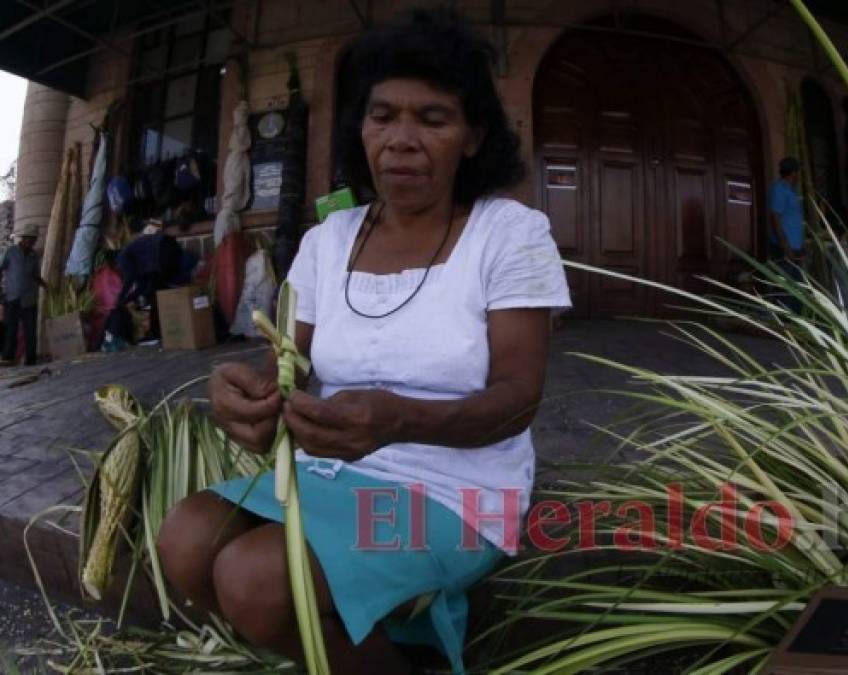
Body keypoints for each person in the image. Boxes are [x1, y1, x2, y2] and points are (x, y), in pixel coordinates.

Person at [156, 9, 571, 675]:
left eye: (432, 119)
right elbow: (282, 361)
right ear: (362, 128)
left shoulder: (509, 233)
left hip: (459, 488)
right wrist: (249, 393)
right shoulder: (329, 239)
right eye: (383, 116)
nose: (401, 140)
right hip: (331, 471)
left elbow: (518, 399)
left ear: (472, 136)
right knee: (184, 539)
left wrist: (399, 418)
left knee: (255, 579)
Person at [113, 230, 196, 341]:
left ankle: (158, 332)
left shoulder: (122, 257)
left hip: (161, 251)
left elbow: (130, 278)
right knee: (159, 292)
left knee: (156, 294)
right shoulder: (137, 258)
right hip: (167, 247)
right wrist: (127, 300)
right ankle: (163, 330)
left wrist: (120, 298)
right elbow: (141, 286)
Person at [0, 223, 47, 366]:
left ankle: (30, 360)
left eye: (34, 240)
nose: (33, 243)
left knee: (30, 331)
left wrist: (46, 286)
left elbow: (35, 275)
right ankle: (8, 359)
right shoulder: (11, 252)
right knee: (10, 330)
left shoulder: (34, 256)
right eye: (31, 240)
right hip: (12, 297)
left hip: (29, 299)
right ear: (24, 238)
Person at [768, 156, 804, 309]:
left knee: (797, 289)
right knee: (785, 289)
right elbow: (775, 218)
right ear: (793, 173)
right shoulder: (779, 189)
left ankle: (795, 325)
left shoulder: (791, 191)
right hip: (785, 248)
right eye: (798, 172)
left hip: (795, 248)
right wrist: (785, 247)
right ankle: (784, 326)